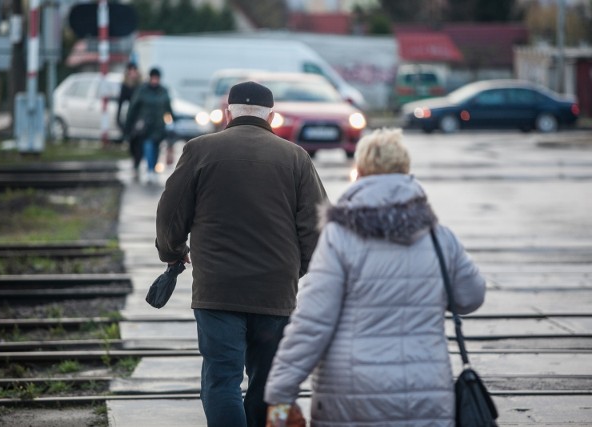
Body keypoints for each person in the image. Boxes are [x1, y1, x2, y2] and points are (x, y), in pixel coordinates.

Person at [264, 128, 487, 426]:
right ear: (406, 170)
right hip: (426, 391)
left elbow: (312, 322)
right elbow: (471, 297)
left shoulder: (340, 237)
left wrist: (281, 389)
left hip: (351, 395)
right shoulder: (438, 237)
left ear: (361, 170)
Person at [155, 81, 328, 427]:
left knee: (221, 381)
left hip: (218, 291)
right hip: (275, 292)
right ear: (272, 115)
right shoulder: (295, 157)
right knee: (268, 385)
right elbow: (317, 226)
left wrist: (172, 252)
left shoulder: (199, 150)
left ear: (228, 110)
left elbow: (170, 212)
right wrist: (297, 269)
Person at [124, 67, 175, 182]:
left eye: (157, 78)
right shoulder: (142, 90)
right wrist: (129, 124)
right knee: (148, 146)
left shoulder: (163, 91)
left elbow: (168, 108)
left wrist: (173, 121)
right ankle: (150, 169)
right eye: (154, 78)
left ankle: (153, 169)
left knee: (156, 148)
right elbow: (133, 108)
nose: (155, 81)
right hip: (145, 126)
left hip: (159, 126)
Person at [116, 62, 142, 177]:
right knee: (131, 142)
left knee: (139, 143)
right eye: (130, 70)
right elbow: (121, 103)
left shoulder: (141, 86)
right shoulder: (125, 86)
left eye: (134, 70)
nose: (132, 73)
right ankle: (135, 162)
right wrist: (119, 118)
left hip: (139, 118)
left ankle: (137, 164)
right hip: (128, 118)